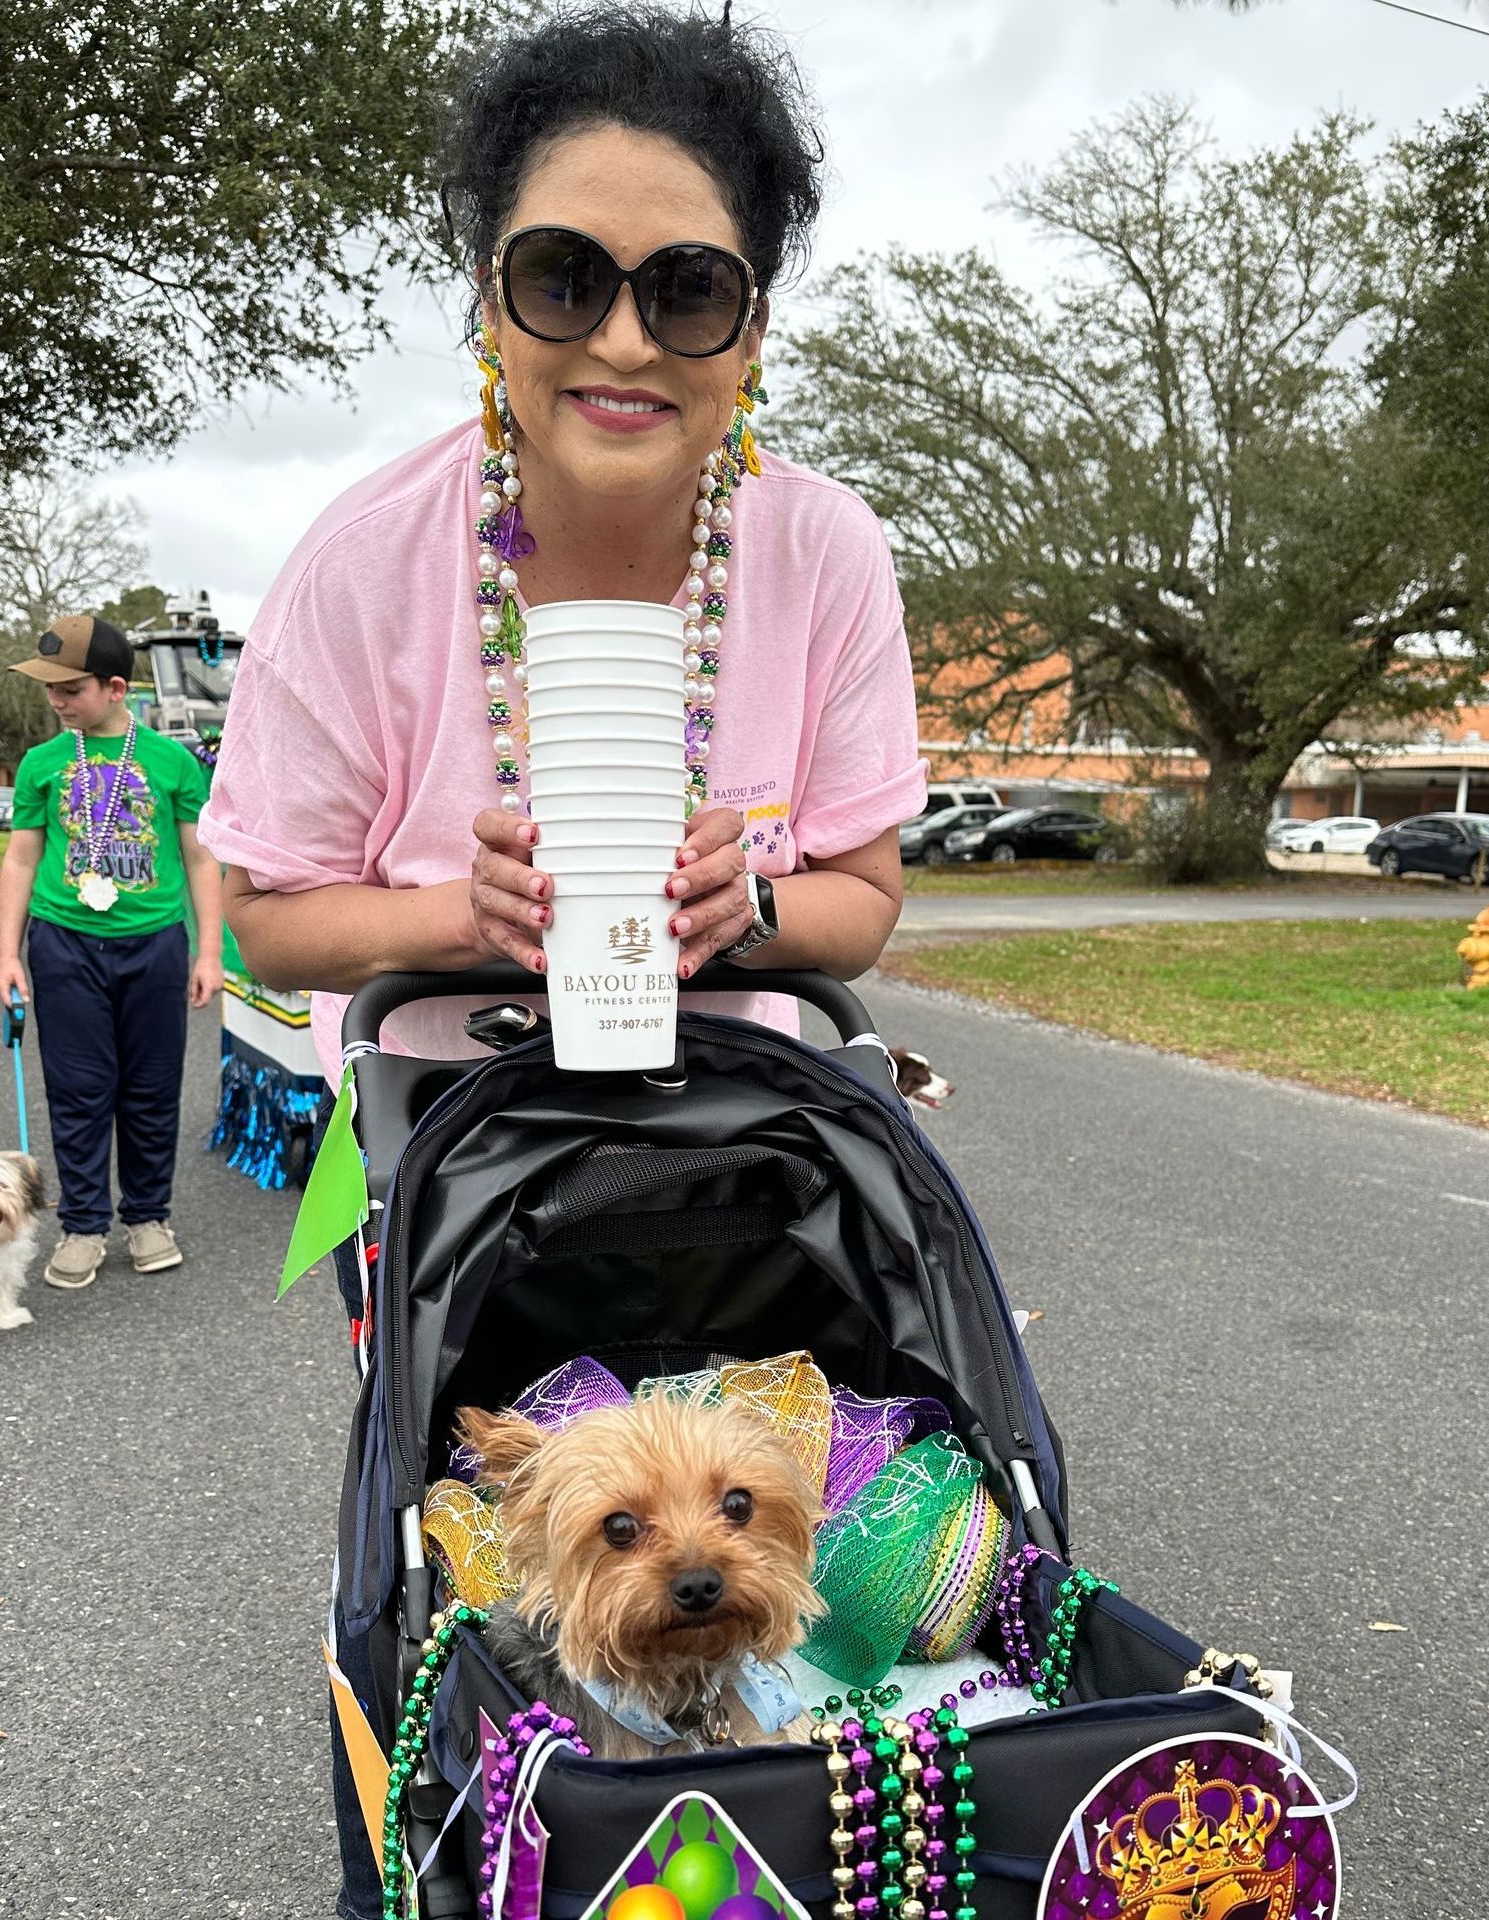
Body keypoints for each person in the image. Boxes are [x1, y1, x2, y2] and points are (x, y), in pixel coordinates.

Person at [193, 9, 925, 1914]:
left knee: (776, 1485)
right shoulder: (368, 561)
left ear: (750, 324)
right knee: (441, 1527)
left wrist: (753, 912)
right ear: (488, 298)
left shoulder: (824, 553)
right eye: (562, 277)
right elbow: (272, 912)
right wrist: (457, 918)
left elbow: (863, 894)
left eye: (687, 289)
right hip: (456, 1145)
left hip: (752, 1152)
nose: (621, 338)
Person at [0, 614, 225, 1291]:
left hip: (154, 943)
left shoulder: (173, 762)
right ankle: (84, 1225)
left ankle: (148, 1218)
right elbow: (20, 859)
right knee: (78, 1090)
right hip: (63, 943)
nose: (56, 701)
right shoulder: (42, 764)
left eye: (70, 689)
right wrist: (7, 953)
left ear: (115, 687)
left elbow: (201, 858)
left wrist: (209, 952)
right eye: (50, 689)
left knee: (151, 1087)